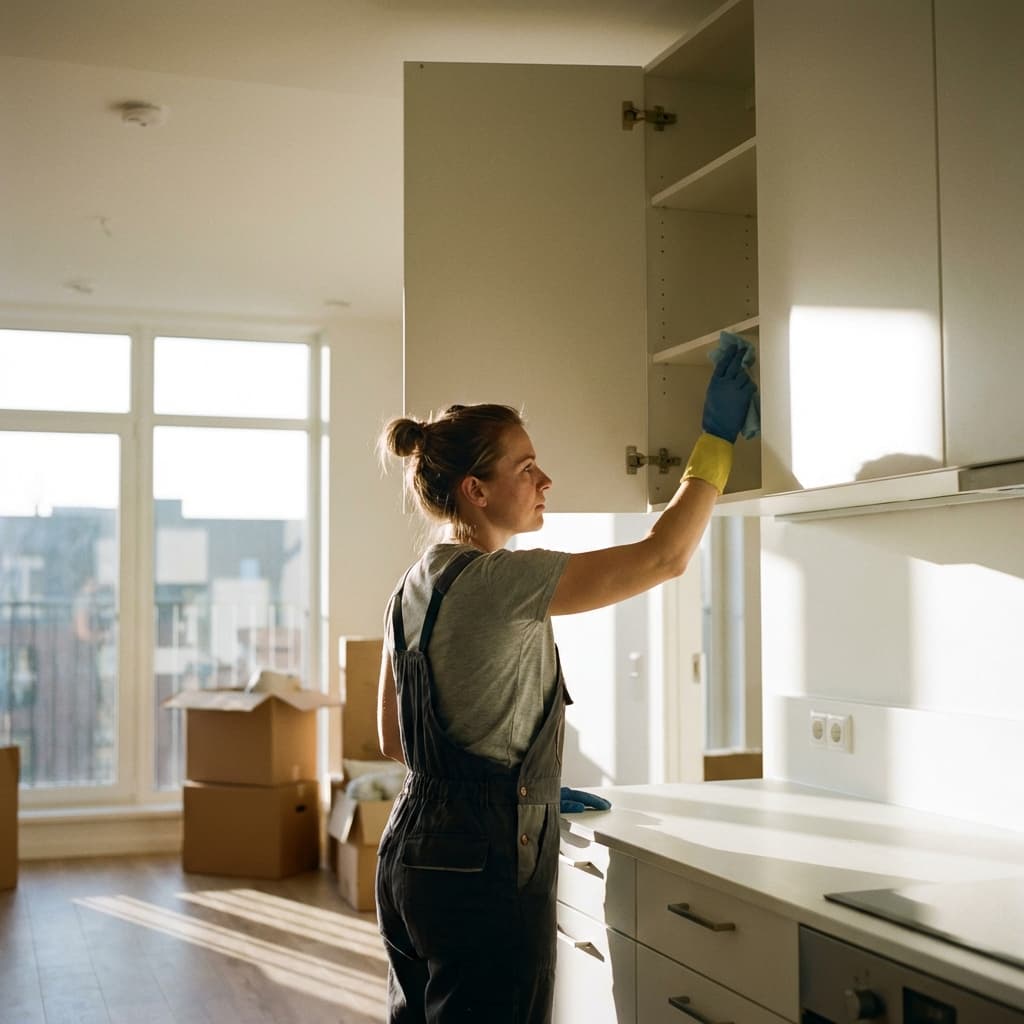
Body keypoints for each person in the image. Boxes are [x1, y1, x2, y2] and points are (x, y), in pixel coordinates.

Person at [374, 342, 755, 1023]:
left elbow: (392, 738)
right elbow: (665, 557)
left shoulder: (413, 584)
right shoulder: (498, 580)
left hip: (409, 853)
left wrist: (510, 778)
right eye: (526, 468)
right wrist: (715, 444)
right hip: (480, 868)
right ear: (477, 490)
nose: (545, 480)